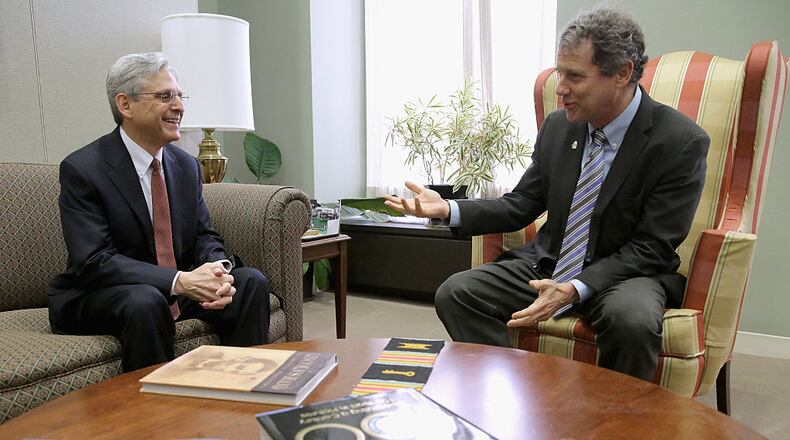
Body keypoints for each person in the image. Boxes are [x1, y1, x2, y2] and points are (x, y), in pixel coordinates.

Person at [385, 7, 709, 381]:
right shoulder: (560, 126)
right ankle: (518, 393)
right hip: (550, 263)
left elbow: (651, 247)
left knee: (631, 321)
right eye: (559, 73)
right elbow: (520, 204)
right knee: (457, 292)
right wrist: (448, 209)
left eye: (575, 76)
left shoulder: (680, 142)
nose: (561, 89)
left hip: (627, 274)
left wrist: (575, 288)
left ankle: (620, 424)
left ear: (622, 73)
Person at [48, 52, 271, 372]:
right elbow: (94, 261)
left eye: (180, 96)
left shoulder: (185, 166)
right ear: (125, 105)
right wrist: (179, 281)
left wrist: (217, 272)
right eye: (165, 96)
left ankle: (247, 391)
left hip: (169, 288)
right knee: (146, 300)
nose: (179, 106)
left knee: (249, 282)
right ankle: (157, 415)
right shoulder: (84, 169)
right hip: (103, 293)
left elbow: (203, 235)